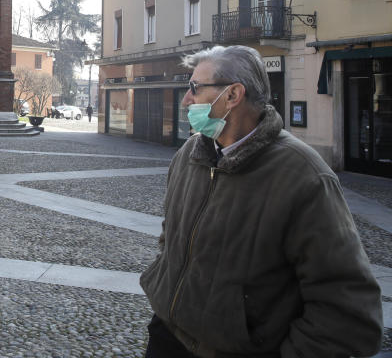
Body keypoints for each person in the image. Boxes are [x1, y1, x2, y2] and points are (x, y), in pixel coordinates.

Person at [141, 45, 381, 358]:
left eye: (195, 88)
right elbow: (170, 237)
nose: (187, 99)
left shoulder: (303, 176)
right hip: (167, 336)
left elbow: (347, 311)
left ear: (232, 95)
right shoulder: (189, 154)